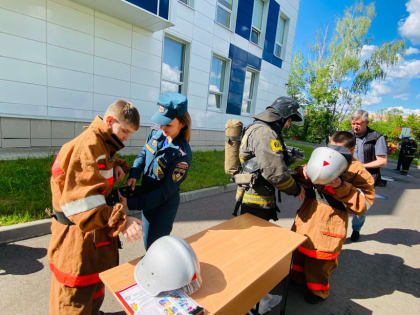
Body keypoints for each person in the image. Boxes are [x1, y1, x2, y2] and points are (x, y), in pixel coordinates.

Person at [47, 100, 144, 315]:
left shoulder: (102, 143)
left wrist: (116, 165)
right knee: (75, 302)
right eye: (125, 131)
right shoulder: (88, 147)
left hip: (92, 242)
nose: (126, 137)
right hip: (78, 244)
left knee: (93, 293)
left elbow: (95, 171)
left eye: (130, 133)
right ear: (110, 121)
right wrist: (122, 220)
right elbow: (82, 203)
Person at [291, 131, 375, 304]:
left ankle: (317, 292)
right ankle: (296, 279)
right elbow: (304, 178)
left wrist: (341, 186)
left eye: (339, 149)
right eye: (330, 146)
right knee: (298, 253)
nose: (332, 152)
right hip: (308, 215)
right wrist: (303, 172)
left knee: (319, 263)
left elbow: (365, 204)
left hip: (331, 222)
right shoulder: (324, 157)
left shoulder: (359, 172)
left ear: (351, 151)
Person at [120, 92, 192, 250]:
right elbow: (144, 153)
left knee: (155, 247)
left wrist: (130, 203)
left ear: (182, 124)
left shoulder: (182, 155)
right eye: (161, 123)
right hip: (147, 199)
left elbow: (164, 192)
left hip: (162, 207)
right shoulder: (156, 133)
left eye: (168, 125)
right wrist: (134, 173)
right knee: (148, 243)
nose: (162, 128)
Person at [235, 96, 304, 221]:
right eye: (289, 121)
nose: (288, 125)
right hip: (256, 203)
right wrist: (297, 189)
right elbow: (275, 174)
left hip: (252, 195)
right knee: (255, 239)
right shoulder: (265, 133)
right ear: (282, 118)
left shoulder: (258, 128)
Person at [349, 109, 387, 241]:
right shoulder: (348, 135)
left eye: (358, 124)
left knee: (360, 208)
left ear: (367, 123)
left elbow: (382, 161)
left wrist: (361, 166)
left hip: (366, 180)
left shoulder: (377, 137)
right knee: (340, 204)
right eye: (353, 123)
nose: (355, 127)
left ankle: (356, 229)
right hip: (347, 177)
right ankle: (339, 230)